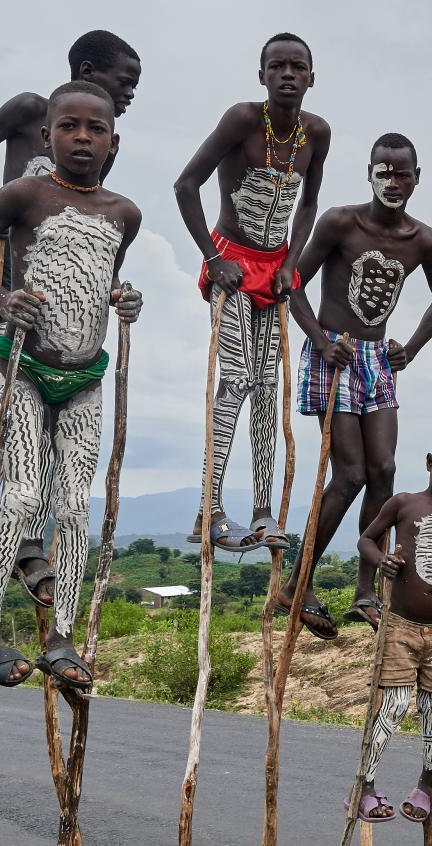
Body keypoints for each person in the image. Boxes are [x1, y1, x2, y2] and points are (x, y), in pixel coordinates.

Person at [0, 81, 142, 688]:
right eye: (69, 127)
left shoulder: (124, 213)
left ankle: (60, 637)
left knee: (73, 509)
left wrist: (123, 298)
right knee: (23, 493)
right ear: (46, 134)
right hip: (26, 370)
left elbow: (101, 274)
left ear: (114, 142)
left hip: (84, 377)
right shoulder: (22, 195)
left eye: (96, 129)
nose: (82, 138)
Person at [277, 132, 432, 638]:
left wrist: (411, 349)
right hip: (336, 354)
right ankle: (297, 583)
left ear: (417, 179)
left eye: (403, 173)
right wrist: (318, 340)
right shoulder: (340, 222)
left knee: (384, 470)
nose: (393, 181)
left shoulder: (423, 240)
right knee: (350, 474)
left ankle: (365, 592)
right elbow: (293, 283)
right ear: (369, 173)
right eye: (384, 171)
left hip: (378, 359)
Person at [174, 33, 330, 552]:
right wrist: (214, 259)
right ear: (261, 75)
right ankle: (208, 508)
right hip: (233, 266)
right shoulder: (242, 120)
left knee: (268, 388)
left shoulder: (316, 134)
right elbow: (185, 184)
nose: (288, 74)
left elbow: (308, 203)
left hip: (275, 271)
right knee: (237, 380)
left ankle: (263, 512)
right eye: (277, 66)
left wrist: (291, 261)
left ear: (312, 77)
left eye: (298, 67)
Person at [346, 425, 432, 822]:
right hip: (401, 627)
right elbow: (366, 540)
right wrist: (381, 561)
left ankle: (425, 784)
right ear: (429, 463)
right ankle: (364, 786)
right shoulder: (403, 504)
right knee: (391, 706)